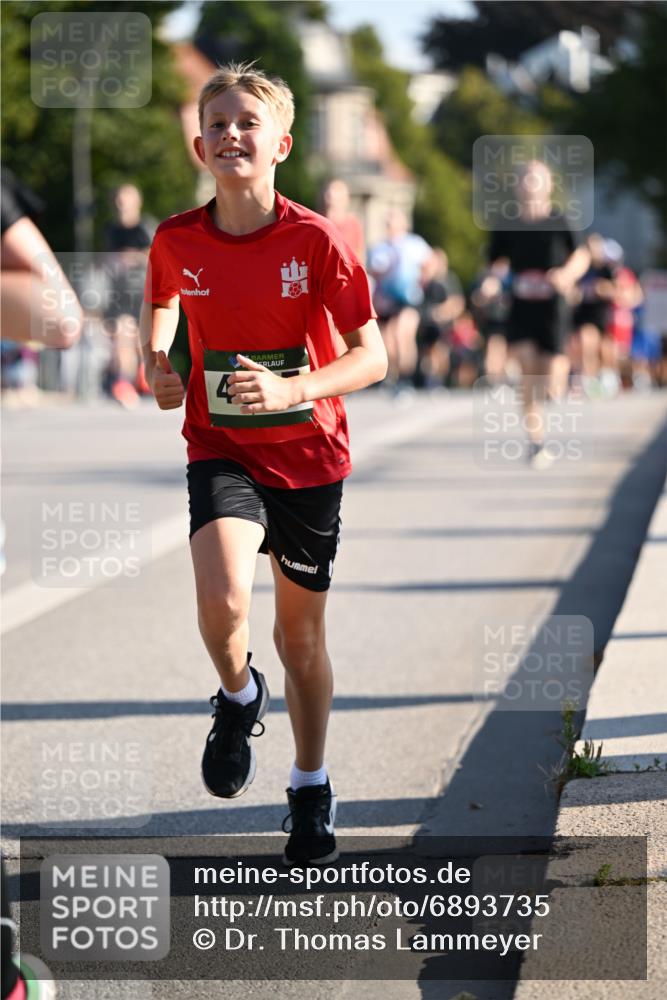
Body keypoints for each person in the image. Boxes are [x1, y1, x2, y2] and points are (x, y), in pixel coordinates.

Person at [140, 63, 387, 866]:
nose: (230, 135)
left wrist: (295, 386)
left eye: (247, 122)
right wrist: (156, 361)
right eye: (217, 124)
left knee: (301, 638)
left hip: (309, 455)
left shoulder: (317, 240)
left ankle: (309, 787)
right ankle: (239, 696)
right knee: (220, 602)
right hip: (221, 445)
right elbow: (164, 303)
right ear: (198, 145)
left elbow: (371, 357)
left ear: (280, 144)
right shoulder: (175, 237)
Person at [487, 160, 590, 468]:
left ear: (548, 185)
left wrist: (567, 274)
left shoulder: (561, 220)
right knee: (527, 370)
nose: (530, 184)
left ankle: (557, 391)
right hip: (521, 306)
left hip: (553, 306)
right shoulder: (507, 224)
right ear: (518, 187)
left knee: (553, 378)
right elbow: (496, 263)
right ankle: (536, 441)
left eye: (537, 179)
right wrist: (492, 282)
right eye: (525, 179)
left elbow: (581, 254)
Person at [367, 209, 432, 392]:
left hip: (409, 298)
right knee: (388, 341)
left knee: (403, 334)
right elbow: (372, 272)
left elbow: (430, 263)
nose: (391, 227)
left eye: (394, 223)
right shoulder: (380, 248)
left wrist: (422, 280)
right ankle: (392, 376)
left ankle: (406, 378)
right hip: (386, 300)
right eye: (388, 224)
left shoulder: (415, 243)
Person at [103, 183, 154, 408]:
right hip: (119, 294)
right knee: (122, 338)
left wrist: (135, 257)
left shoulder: (146, 228)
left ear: (137, 202)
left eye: (128, 200)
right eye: (120, 200)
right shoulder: (112, 230)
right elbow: (105, 259)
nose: (123, 205)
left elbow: (159, 256)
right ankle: (124, 385)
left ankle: (145, 375)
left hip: (142, 292)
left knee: (138, 341)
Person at [569, 233, 616, 397]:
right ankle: (586, 379)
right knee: (584, 344)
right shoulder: (580, 268)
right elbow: (571, 288)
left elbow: (615, 290)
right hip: (582, 314)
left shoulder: (605, 269)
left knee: (601, 350)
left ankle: (602, 378)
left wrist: (600, 288)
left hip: (600, 314)